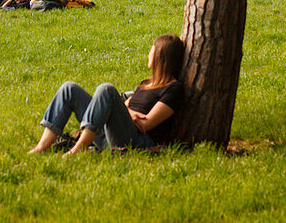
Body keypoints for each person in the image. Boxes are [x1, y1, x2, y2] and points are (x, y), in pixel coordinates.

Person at [28, 34, 186, 155]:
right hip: (108, 133)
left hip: (132, 140)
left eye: (151, 50)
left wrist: (126, 110)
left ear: (160, 55)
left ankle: (77, 150)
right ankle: (42, 147)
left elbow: (146, 124)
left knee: (106, 89)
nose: (148, 54)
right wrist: (129, 111)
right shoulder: (145, 84)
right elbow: (125, 107)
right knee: (69, 88)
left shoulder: (173, 89)